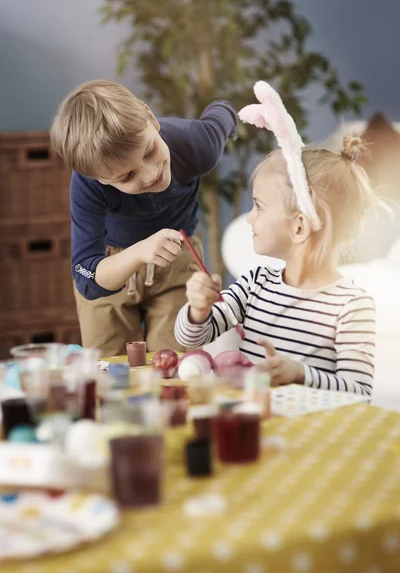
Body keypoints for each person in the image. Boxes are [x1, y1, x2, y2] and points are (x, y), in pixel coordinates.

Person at [175, 81, 378, 395]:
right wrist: (197, 310)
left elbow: (358, 392)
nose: (251, 217)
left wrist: (300, 374)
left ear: (299, 228)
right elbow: (191, 338)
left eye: (258, 206)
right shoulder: (254, 283)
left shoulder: (351, 306)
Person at [50, 80, 237, 356]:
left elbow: (224, 111)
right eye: (126, 176)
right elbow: (86, 275)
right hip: (111, 265)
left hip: (178, 258)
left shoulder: (197, 144)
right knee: (109, 368)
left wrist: (245, 115)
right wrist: (139, 252)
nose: (151, 175)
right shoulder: (87, 185)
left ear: (151, 118)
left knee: (178, 367)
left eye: (149, 151)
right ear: (99, 178)